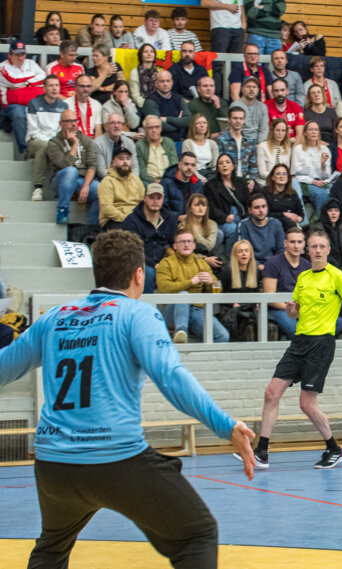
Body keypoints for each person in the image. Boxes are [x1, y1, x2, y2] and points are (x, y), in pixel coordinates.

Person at [0, 229, 255, 567]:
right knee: (196, 535)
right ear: (138, 275)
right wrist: (224, 424)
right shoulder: (137, 314)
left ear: (96, 272)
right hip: (114, 460)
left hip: (54, 465)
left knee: (51, 549)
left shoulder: (54, 318)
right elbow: (170, 377)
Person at [241, 230, 342, 467]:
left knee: (306, 403)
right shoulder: (304, 278)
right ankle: (262, 452)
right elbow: (294, 314)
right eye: (313, 246)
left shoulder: (337, 276)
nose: (317, 250)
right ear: (308, 250)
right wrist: (291, 310)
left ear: (328, 250)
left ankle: (334, 449)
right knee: (271, 393)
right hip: (299, 342)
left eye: (322, 247)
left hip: (321, 344)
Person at [156, 229, 230, 343]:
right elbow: (163, 287)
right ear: (175, 246)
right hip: (173, 310)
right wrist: (191, 282)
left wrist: (212, 282)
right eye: (182, 242)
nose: (186, 244)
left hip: (196, 310)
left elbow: (217, 290)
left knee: (223, 336)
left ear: (194, 245)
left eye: (189, 241)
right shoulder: (166, 263)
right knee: (184, 295)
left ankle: (191, 345)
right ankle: (181, 332)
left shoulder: (201, 263)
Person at [121, 183, 179, 293]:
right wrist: (155, 265)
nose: (155, 201)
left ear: (163, 199)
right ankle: (146, 303)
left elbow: (175, 243)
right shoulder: (132, 220)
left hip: (165, 262)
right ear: (144, 198)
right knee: (148, 272)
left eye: (159, 198)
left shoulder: (170, 218)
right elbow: (132, 251)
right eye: (151, 197)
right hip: (140, 263)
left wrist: (167, 264)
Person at [46, 108, 99, 225]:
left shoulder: (86, 140)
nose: (73, 124)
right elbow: (64, 165)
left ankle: (92, 226)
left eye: (75, 120)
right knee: (71, 171)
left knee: (100, 189)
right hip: (61, 180)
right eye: (69, 121)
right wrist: (74, 144)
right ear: (61, 124)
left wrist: (86, 186)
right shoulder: (54, 143)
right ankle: (62, 211)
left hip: (82, 180)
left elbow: (92, 165)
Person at [263, 227, 311, 339]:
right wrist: (291, 309)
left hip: (302, 308)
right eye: (292, 242)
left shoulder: (308, 266)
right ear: (285, 243)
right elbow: (269, 297)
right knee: (295, 329)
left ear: (304, 244)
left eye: (299, 242)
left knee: (336, 322)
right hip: (279, 309)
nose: (296, 246)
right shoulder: (272, 263)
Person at [26, 74, 66, 202]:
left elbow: (62, 130)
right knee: (44, 146)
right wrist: (51, 143)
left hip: (55, 141)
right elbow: (33, 131)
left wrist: (53, 142)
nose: (54, 88)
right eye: (51, 85)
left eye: (57, 85)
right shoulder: (34, 104)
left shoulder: (64, 106)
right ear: (44, 88)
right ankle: (38, 187)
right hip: (35, 140)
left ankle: (63, 189)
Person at [292, 121, 335, 215]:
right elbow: (295, 175)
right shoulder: (298, 149)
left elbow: (327, 175)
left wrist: (323, 165)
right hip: (306, 183)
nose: (314, 132)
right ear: (305, 133)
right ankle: (324, 221)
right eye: (311, 129)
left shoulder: (325, 149)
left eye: (316, 130)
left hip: (322, 181)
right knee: (322, 194)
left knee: (336, 190)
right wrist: (313, 182)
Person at [230, 192, 285, 267]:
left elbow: (281, 251)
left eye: (264, 206)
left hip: (273, 265)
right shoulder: (243, 225)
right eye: (257, 207)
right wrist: (258, 266)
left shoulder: (276, 224)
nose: (261, 210)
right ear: (249, 210)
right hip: (250, 266)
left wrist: (271, 266)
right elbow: (242, 252)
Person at [204, 153, 250, 241]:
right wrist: (224, 217)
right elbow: (210, 207)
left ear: (233, 166)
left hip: (242, 216)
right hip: (223, 220)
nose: (224, 165)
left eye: (227, 162)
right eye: (221, 163)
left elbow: (248, 202)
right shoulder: (210, 185)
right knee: (234, 230)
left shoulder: (241, 182)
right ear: (218, 168)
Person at [98, 146, 145, 229]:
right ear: (113, 162)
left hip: (135, 219)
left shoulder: (137, 181)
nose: (125, 161)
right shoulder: (107, 181)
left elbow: (143, 203)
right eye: (121, 159)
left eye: (128, 159)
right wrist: (128, 220)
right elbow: (107, 208)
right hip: (114, 220)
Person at [143, 71, 191, 144]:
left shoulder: (179, 99)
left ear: (172, 83)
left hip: (181, 141)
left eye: (168, 81)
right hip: (161, 143)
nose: (165, 84)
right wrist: (179, 123)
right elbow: (157, 126)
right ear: (156, 84)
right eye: (162, 81)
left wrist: (166, 119)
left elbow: (188, 120)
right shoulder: (150, 101)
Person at [216, 106, 259, 188]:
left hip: (245, 182)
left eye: (241, 118)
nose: (238, 121)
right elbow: (218, 163)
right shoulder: (221, 140)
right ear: (229, 119)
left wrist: (251, 179)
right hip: (226, 182)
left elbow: (253, 164)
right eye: (235, 118)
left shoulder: (249, 141)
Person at [94, 112, 139, 180]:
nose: (116, 126)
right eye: (112, 123)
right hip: (107, 180)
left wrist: (132, 180)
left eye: (119, 123)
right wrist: (119, 180)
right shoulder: (97, 143)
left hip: (128, 179)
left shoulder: (129, 142)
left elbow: (135, 167)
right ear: (106, 126)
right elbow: (101, 171)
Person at [137, 115, 178, 185]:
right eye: (150, 127)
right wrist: (155, 181)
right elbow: (142, 172)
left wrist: (167, 180)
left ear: (161, 128)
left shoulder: (168, 142)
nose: (154, 130)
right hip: (151, 182)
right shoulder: (139, 145)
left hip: (169, 180)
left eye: (157, 127)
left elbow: (174, 165)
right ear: (145, 129)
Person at [183, 193, 223, 261]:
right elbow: (184, 250)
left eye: (204, 205)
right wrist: (204, 259)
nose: (201, 208)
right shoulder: (183, 225)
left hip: (208, 255)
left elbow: (208, 246)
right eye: (197, 205)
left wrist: (194, 229)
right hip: (190, 258)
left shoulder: (212, 224)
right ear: (190, 208)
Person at [230, 76, 269, 144]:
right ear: (242, 89)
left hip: (258, 143)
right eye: (248, 87)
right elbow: (233, 130)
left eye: (254, 87)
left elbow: (264, 130)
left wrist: (260, 145)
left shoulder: (263, 107)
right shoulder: (235, 106)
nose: (251, 89)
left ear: (258, 90)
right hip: (240, 142)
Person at [265, 79, 305, 144]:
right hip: (273, 143)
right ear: (272, 92)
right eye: (276, 91)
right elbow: (266, 132)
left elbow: (300, 133)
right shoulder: (265, 107)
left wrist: (294, 148)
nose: (279, 93)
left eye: (282, 90)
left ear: (287, 91)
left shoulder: (296, 107)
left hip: (293, 143)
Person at [64, 74, 103, 140]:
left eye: (88, 86)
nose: (86, 89)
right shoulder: (66, 104)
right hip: (73, 139)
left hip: (91, 140)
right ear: (75, 87)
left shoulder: (97, 105)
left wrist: (95, 145)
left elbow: (98, 131)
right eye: (82, 86)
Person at [183, 114, 220, 182]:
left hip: (211, 175)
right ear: (193, 126)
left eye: (204, 123)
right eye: (198, 123)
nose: (202, 125)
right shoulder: (187, 143)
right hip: (195, 176)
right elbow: (188, 166)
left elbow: (216, 164)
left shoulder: (212, 143)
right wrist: (203, 180)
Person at [317, 198, 342, 267]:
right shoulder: (318, 229)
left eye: (336, 210)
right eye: (330, 210)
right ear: (325, 212)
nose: (334, 213)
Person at [128, 44, 158, 109]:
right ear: (141, 55)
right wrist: (147, 105)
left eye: (151, 52)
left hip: (158, 104)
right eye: (146, 52)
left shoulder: (159, 72)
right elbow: (135, 95)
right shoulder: (134, 72)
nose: (149, 54)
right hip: (141, 105)